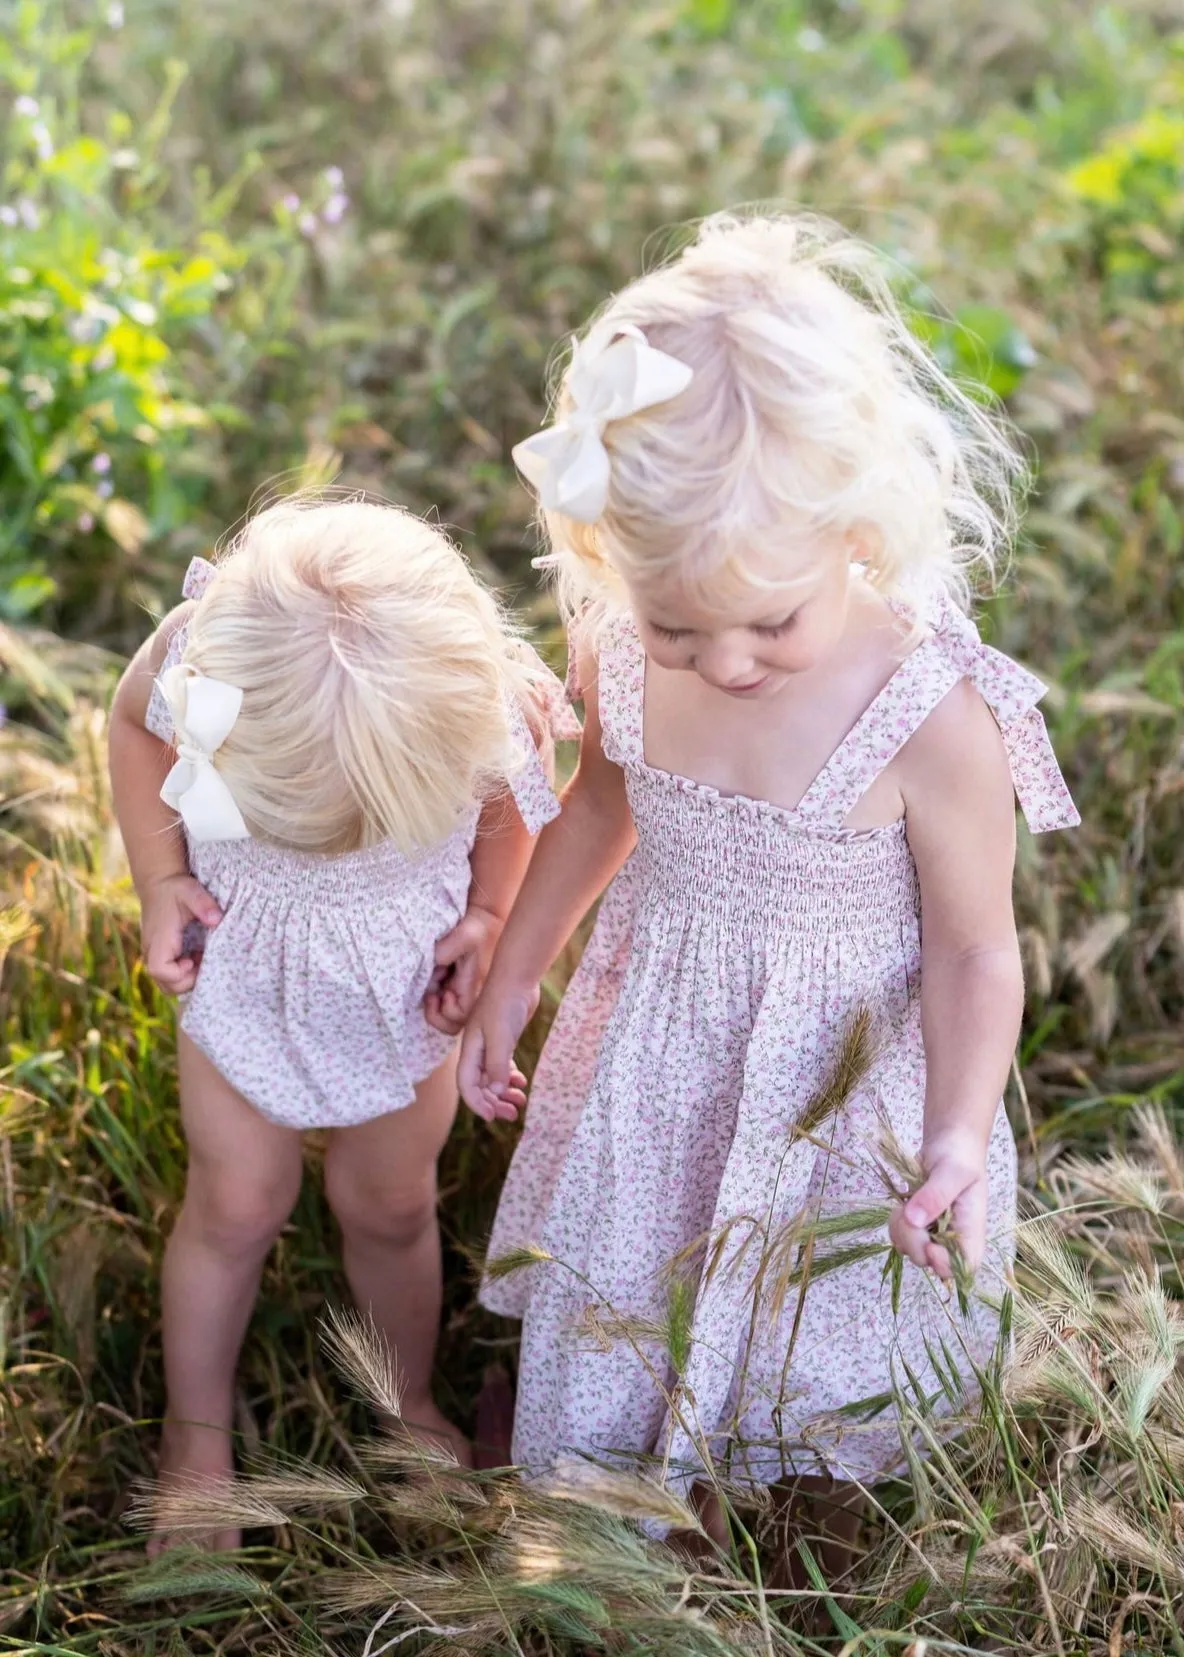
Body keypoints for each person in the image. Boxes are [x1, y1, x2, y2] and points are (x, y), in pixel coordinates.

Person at [458, 213, 1079, 1546]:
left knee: (814, 1327)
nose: (726, 664)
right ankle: (620, 1453)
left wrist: (960, 1133)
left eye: (769, 625)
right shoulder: (623, 653)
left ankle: (796, 1499)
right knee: (641, 1265)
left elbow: (978, 949)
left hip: (841, 1094)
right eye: (679, 624)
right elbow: (595, 811)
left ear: (857, 532)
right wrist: (514, 973)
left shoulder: (930, 712)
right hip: (664, 1054)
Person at [108, 495, 575, 1550]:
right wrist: (160, 877)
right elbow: (133, 731)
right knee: (232, 1202)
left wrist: (489, 914)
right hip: (243, 970)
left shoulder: (472, 705)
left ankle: (403, 1397)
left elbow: (512, 806)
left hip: (403, 987)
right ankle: (195, 1443)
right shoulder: (200, 667)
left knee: (390, 1203)